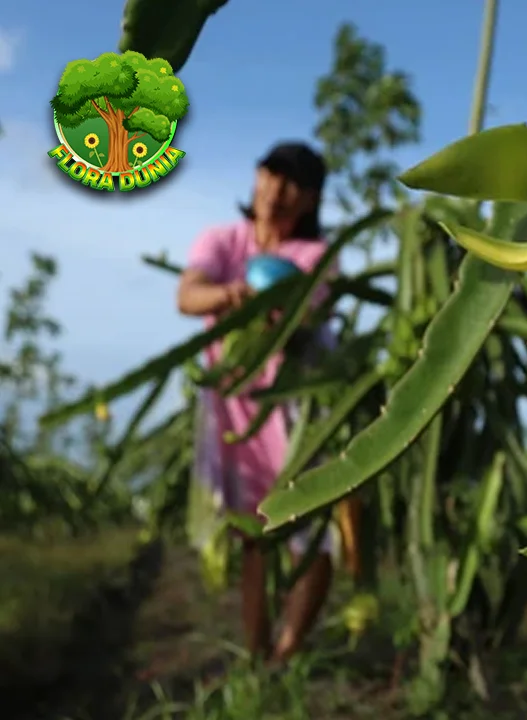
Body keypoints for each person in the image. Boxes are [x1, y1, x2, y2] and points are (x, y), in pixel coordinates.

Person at [178, 141, 337, 665]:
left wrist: (275, 306)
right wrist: (236, 296)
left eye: (293, 182)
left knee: (311, 530)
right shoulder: (221, 240)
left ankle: (288, 649)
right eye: (270, 174)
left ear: (311, 198)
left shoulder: (316, 256)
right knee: (253, 534)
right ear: (256, 177)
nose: (276, 189)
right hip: (233, 407)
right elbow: (188, 296)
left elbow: (308, 313)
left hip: (295, 406)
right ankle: (257, 655)